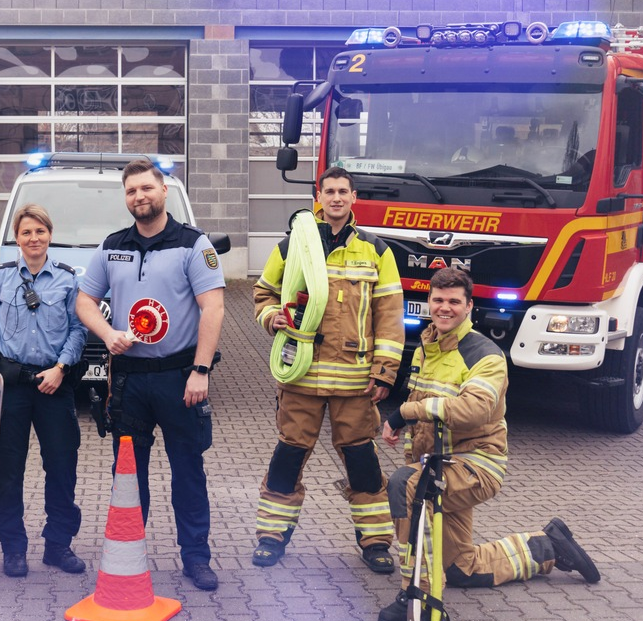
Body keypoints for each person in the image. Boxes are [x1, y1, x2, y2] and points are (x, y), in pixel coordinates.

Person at [376, 268, 599, 621]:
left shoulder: (486, 356)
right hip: (440, 464)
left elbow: (473, 410)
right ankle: (548, 546)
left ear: (469, 307)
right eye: (438, 300)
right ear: (429, 303)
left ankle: (416, 600)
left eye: (453, 301)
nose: (444, 308)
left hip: (476, 465)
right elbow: (427, 421)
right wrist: (413, 451)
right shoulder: (426, 348)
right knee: (463, 570)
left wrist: (404, 412)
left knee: (407, 487)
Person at [75, 158, 226, 591]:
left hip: (180, 379)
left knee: (188, 471)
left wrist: (200, 370)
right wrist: (107, 334)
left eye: (146, 188)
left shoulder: (195, 245)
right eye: (131, 191)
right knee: (127, 473)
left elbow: (213, 308)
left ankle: (196, 558)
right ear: (125, 198)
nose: (139, 196)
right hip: (128, 383)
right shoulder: (112, 246)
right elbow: (84, 301)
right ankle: (127, 556)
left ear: (164, 192)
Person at [250, 166, 404, 573]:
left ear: (354, 198)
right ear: (319, 197)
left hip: (354, 383)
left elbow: (389, 314)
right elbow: (263, 292)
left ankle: (375, 543)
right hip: (301, 375)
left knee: (363, 464)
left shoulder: (376, 251)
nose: (336, 198)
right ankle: (271, 536)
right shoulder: (293, 245)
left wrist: (385, 371)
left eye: (343, 192)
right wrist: (271, 318)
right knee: (287, 457)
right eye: (329, 191)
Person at [0, 203, 88, 578]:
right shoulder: (1, 277)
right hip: (12, 387)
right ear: (16, 239)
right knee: (8, 472)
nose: (33, 238)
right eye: (26, 233)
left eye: (40, 231)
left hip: (54, 386)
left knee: (62, 468)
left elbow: (79, 330)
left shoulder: (69, 279)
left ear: (50, 234)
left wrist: (62, 368)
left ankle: (58, 545)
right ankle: (14, 549)